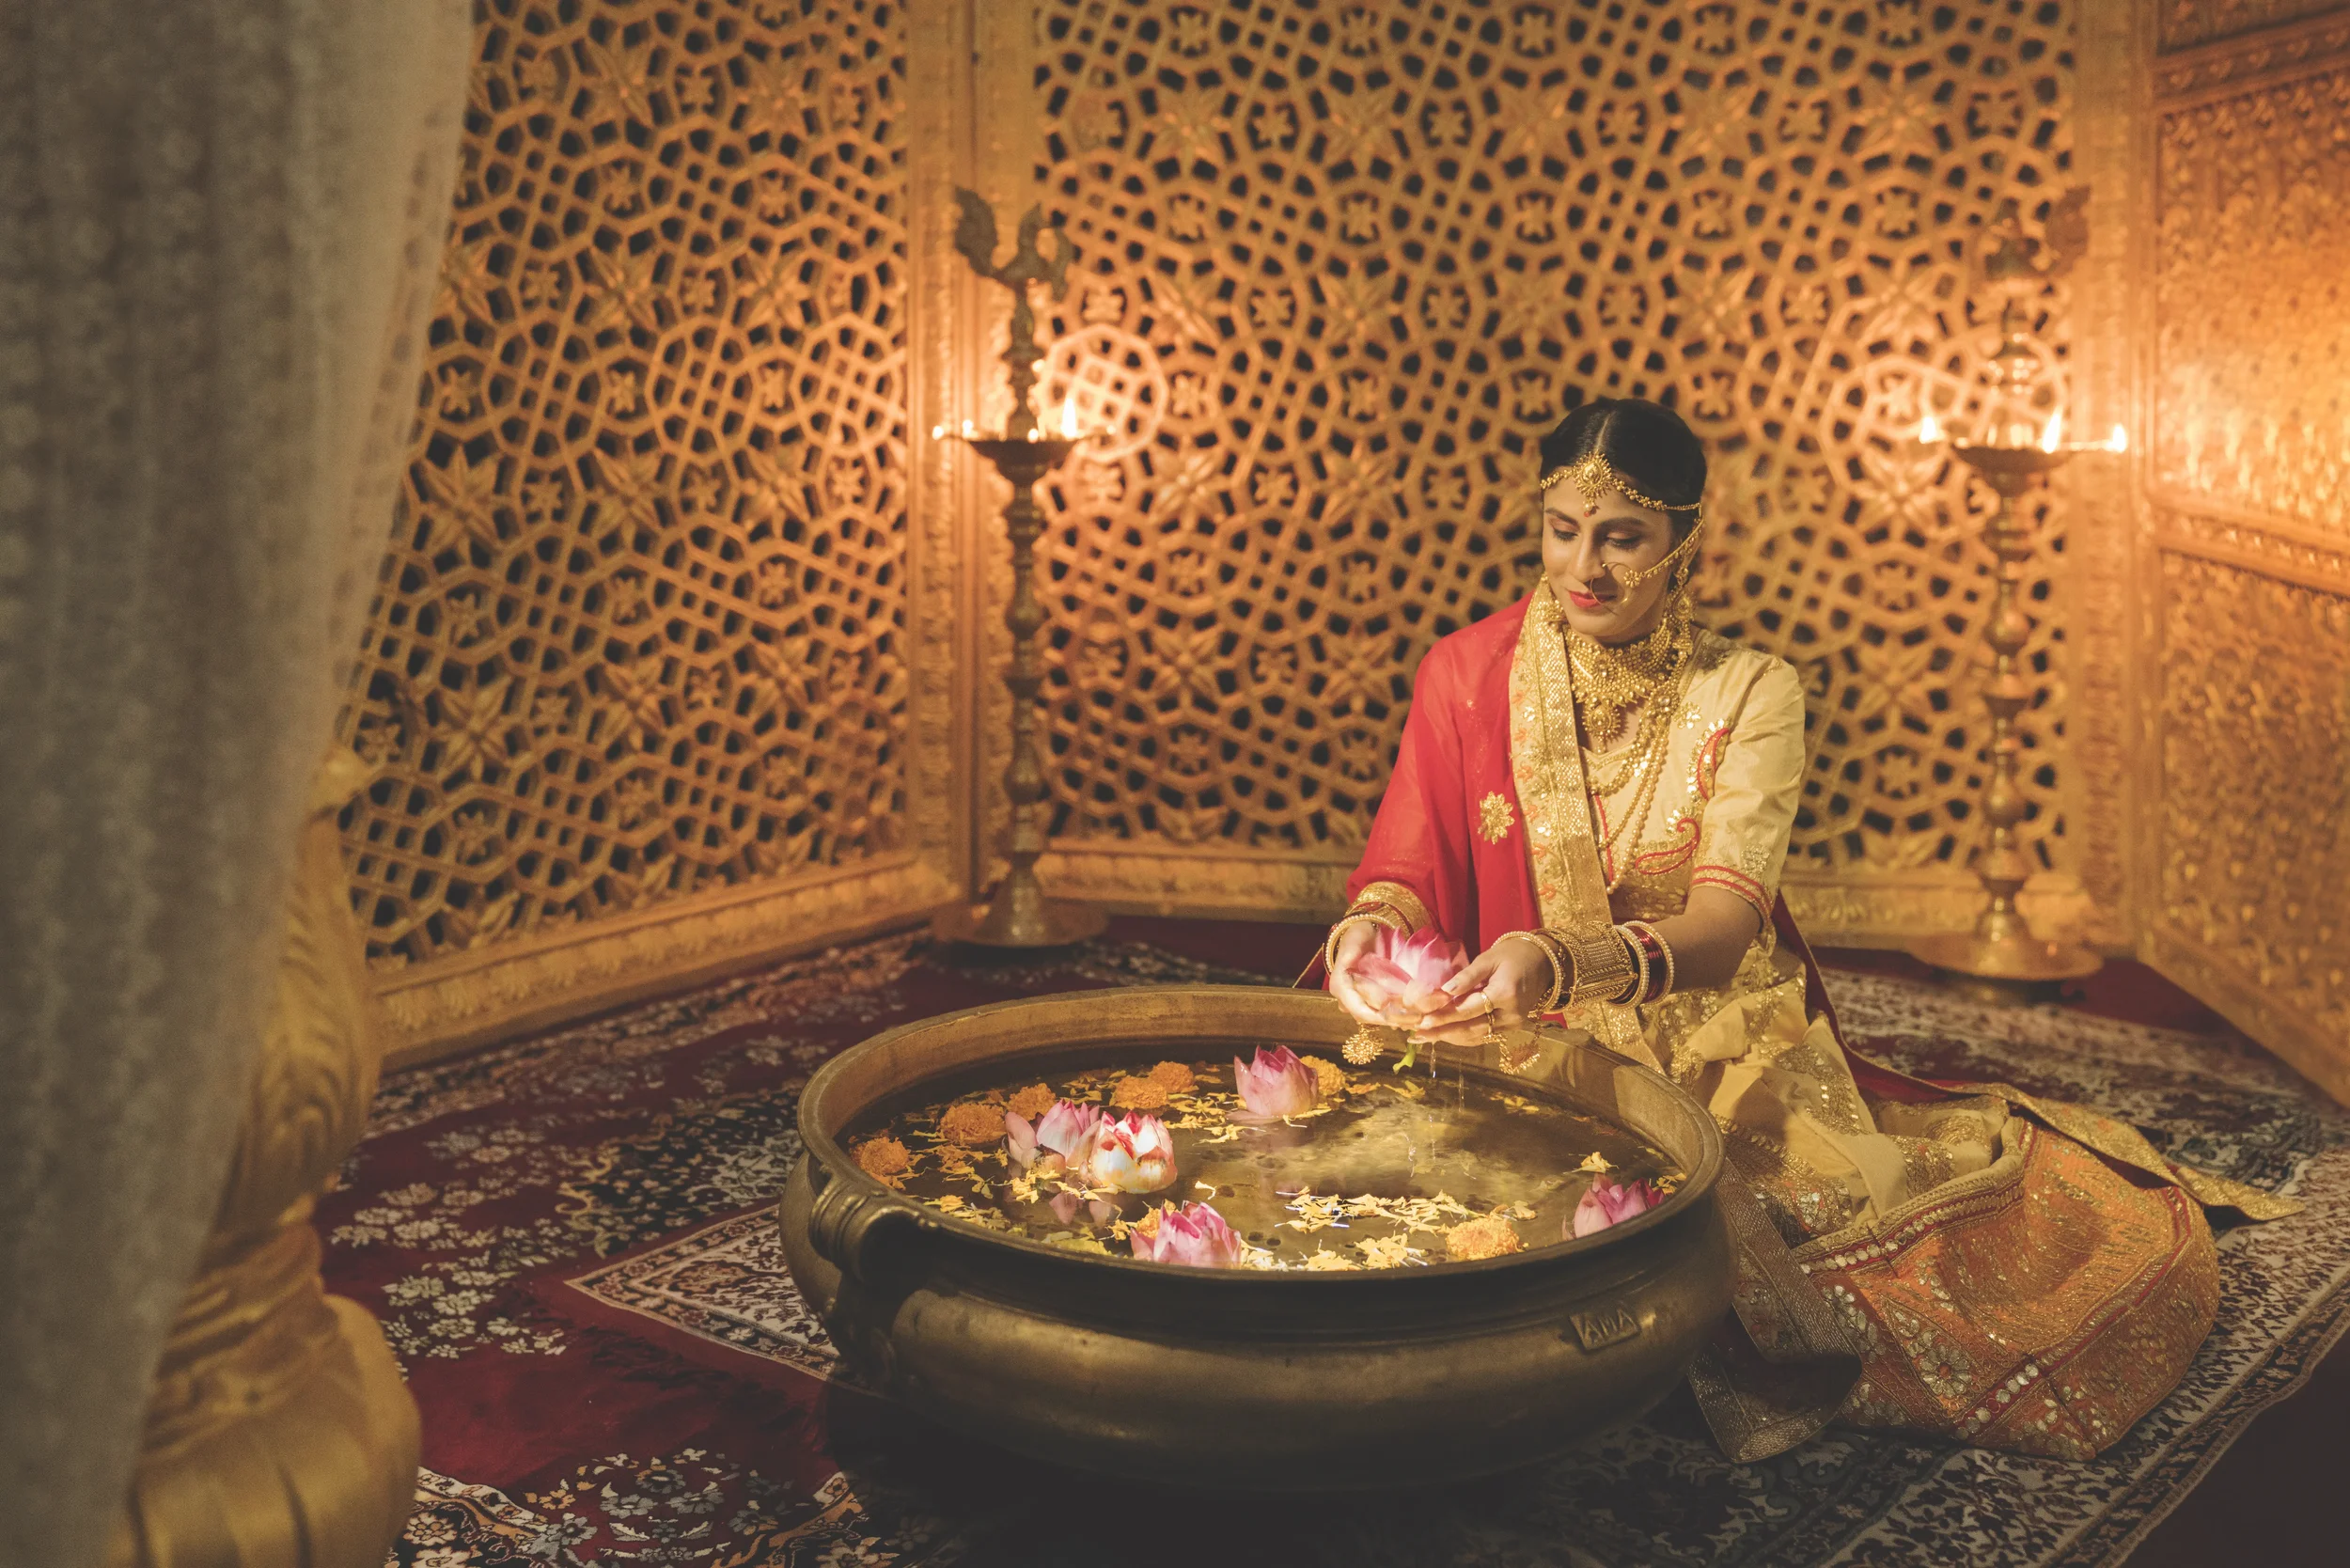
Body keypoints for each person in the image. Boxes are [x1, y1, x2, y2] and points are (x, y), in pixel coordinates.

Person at [1317, 397, 2292, 1461]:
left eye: (1621, 537)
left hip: (1704, 1030)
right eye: (1563, 529)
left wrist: (1564, 962)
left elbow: (1725, 927)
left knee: (1792, 1227)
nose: (1584, 566)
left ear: (1686, 538)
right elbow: (1407, 864)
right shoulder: (1467, 672)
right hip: (1505, 1022)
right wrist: (1376, 925)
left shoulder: (1748, 692)